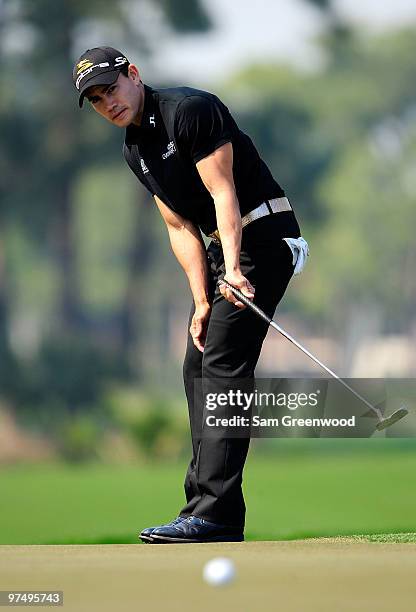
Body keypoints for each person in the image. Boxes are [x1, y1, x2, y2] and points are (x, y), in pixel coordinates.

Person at [73, 46, 308, 544]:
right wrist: (202, 301)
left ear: (133, 75)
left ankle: (214, 513)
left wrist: (238, 275)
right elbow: (179, 227)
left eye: (110, 89)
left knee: (223, 362)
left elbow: (225, 193)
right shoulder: (134, 150)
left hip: (264, 235)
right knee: (198, 360)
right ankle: (210, 509)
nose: (107, 103)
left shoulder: (191, 111)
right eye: (95, 100)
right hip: (228, 251)